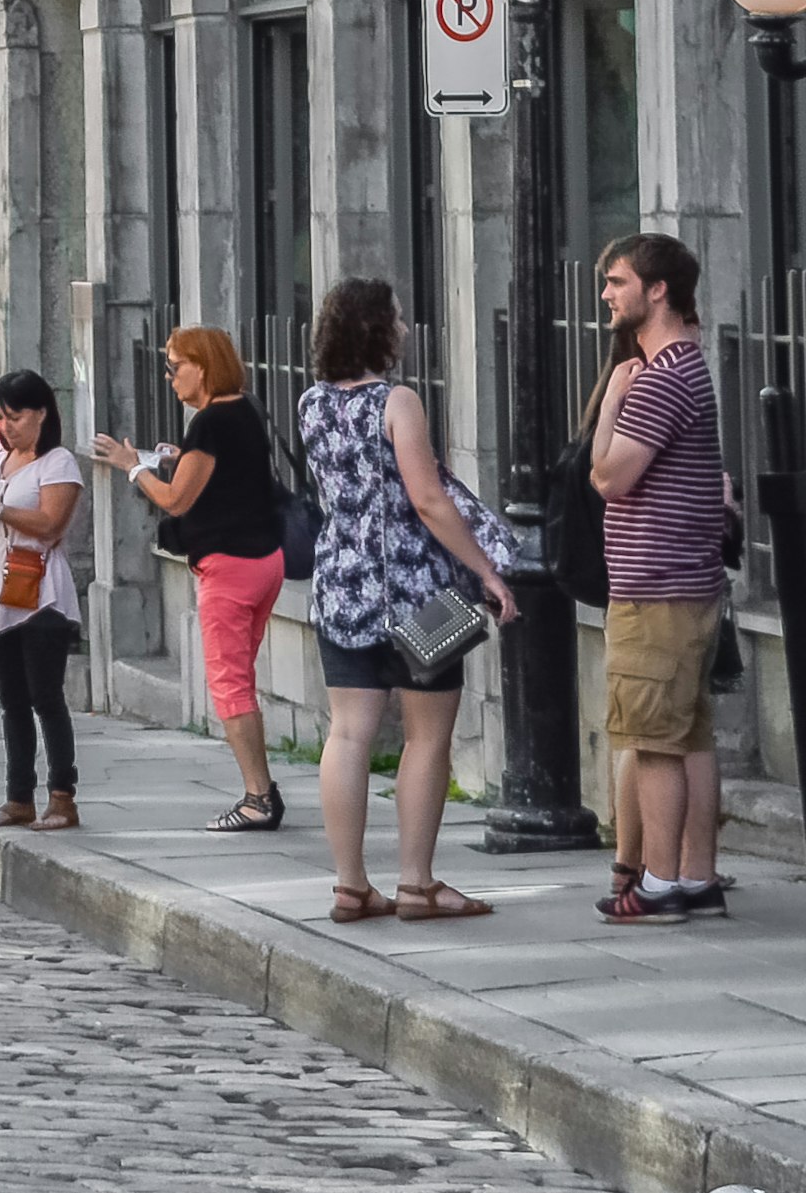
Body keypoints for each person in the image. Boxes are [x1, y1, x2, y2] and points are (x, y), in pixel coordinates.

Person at [298, 276, 514, 924]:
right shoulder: (397, 401)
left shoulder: (311, 403)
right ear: (375, 329)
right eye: (396, 316)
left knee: (348, 732)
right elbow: (428, 499)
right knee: (428, 739)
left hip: (340, 585)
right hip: (418, 593)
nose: (404, 326)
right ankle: (417, 883)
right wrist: (489, 572)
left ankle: (350, 883)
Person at [587, 231, 732, 925]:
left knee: (651, 741)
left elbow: (610, 476)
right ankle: (697, 875)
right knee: (689, 736)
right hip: (688, 582)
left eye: (617, 281)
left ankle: (662, 879)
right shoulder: (687, 366)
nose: (608, 294)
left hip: (655, 588)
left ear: (657, 289)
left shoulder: (660, 376)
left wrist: (614, 395)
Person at [95, 325, 289, 831]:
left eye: (175, 365)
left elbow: (176, 500)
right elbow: (231, 475)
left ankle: (257, 798)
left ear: (202, 367)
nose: (170, 376)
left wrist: (134, 466)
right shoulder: (244, 409)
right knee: (239, 680)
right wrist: (176, 459)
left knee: (229, 686)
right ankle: (263, 789)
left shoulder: (208, 423)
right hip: (265, 561)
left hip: (229, 566)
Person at [0, 367, 84, 832]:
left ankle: (62, 795)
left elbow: (51, 524)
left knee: (46, 697)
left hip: (43, 596)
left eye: (15, 416)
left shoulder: (58, 463)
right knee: (11, 699)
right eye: (1, 417)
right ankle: (18, 795)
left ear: (40, 414)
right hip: (2, 594)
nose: (7, 426)